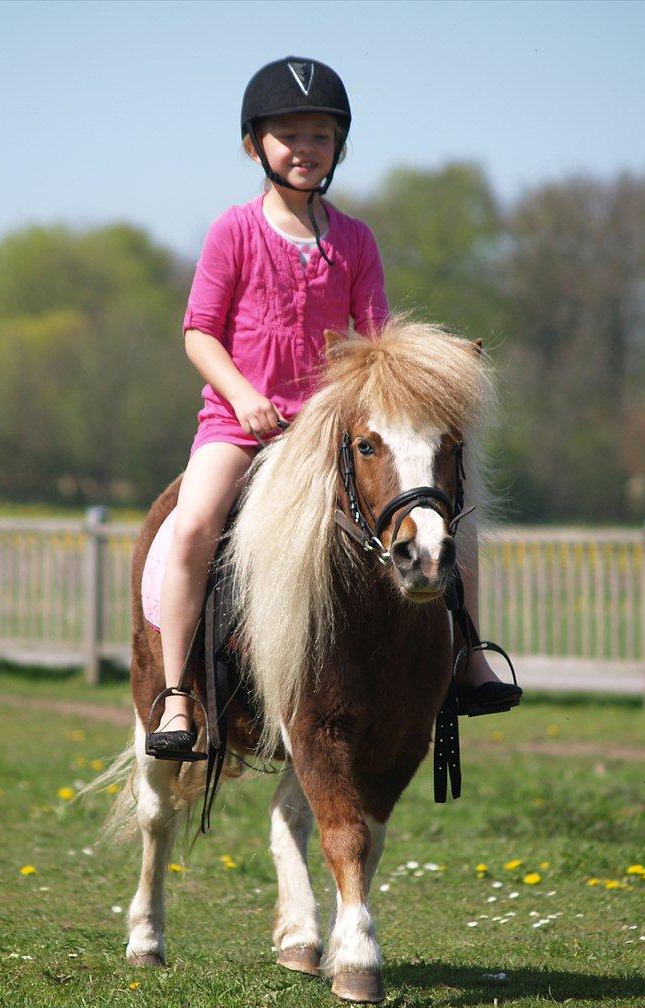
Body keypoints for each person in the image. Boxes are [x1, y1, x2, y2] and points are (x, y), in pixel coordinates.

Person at [148, 56, 519, 759]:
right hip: (240, 426)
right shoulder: (233, 231)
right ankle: (175, 697)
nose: (305, 148)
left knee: (450, 524)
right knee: (193, 526)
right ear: (255, 145)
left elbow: (378, 346)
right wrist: (244, 395)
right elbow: (199, 331)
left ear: (339, 148)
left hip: (330, 435)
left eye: (321, 135)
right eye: (288, 135)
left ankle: (468, 657)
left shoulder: (355, 240)